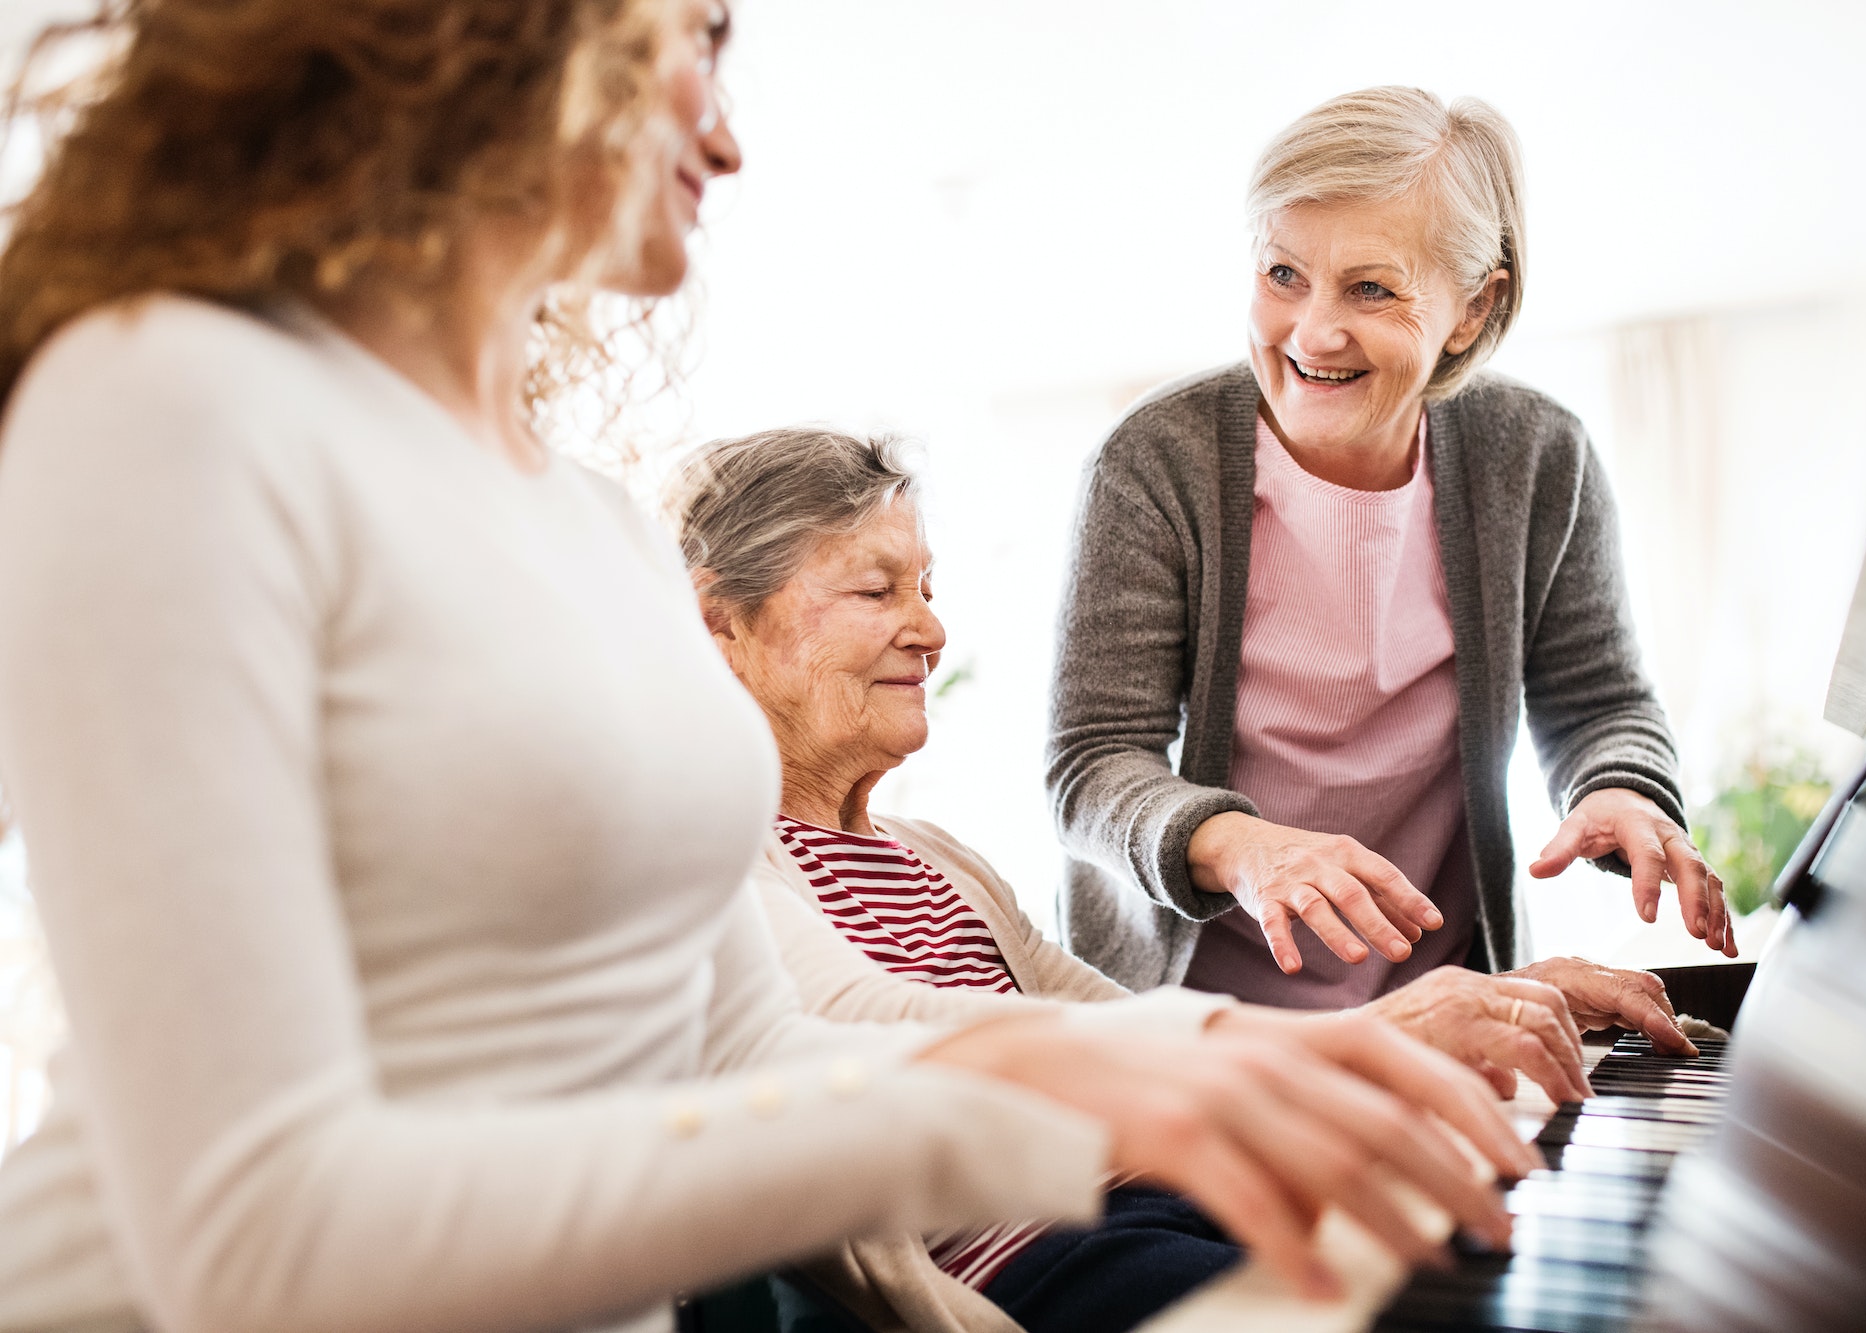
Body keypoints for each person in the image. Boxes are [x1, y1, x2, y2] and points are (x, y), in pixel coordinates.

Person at [0, 8, 1519, 1333]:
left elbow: (746, 1042)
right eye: (696, 42)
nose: (726, 141)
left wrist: (1187, 1056)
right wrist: (1103, 1091)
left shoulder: (579, 511)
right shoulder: (167, 403)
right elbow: (253, 1230)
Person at [672, 425, 1694, 1333]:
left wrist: (1467, 1011)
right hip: (1047, 1264)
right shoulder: (708, 854)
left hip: (1160, 1200)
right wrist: (1379, 1036)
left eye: (926, 589)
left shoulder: (937, 858)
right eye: (874, 589)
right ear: (722, 623)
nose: (931, 631)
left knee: (1500, 1251)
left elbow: (1142, 1036)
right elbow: (862, 1034)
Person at [1047, 87, 1737, 1013]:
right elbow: (1093, 762)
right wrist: (1243, 846)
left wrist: (1620, 785)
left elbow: (1601, 701)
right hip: (1199, 1018)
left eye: (1371, 288)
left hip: (1442, 997)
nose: (1313, 330)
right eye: (1282, 274)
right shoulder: (1151, 463)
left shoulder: (1536, 455)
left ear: (1472, 306)